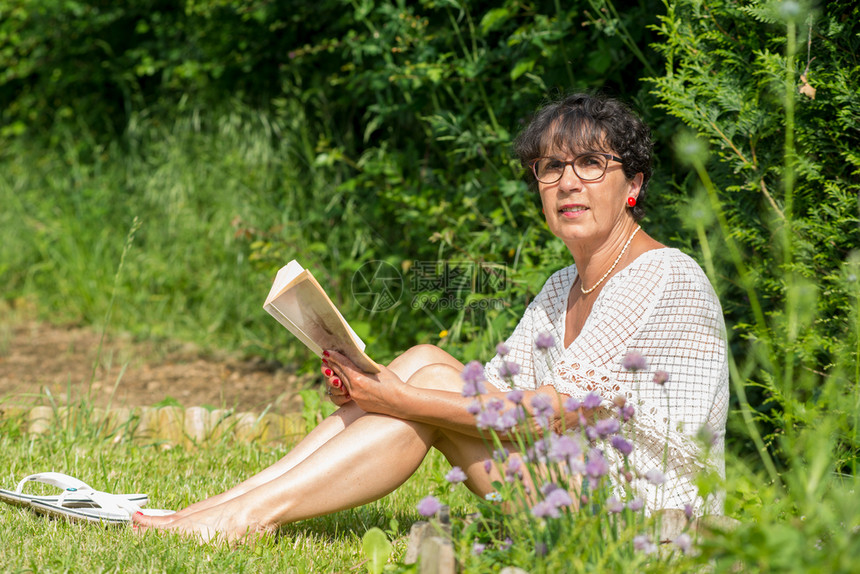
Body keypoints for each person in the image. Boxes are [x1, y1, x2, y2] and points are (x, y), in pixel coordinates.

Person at [134, 93, 729, 543]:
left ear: (633, 183)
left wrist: (397, 400)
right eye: (551, 168)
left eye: (592, 164)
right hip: (567, 488)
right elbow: (493, 390)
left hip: (643, 527)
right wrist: (370, 386)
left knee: (425, 388)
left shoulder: (662, 275)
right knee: (423, 363)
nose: (567, 182)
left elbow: (554, 411)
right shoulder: (560, 288)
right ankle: (211, 511)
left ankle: (246, 517)